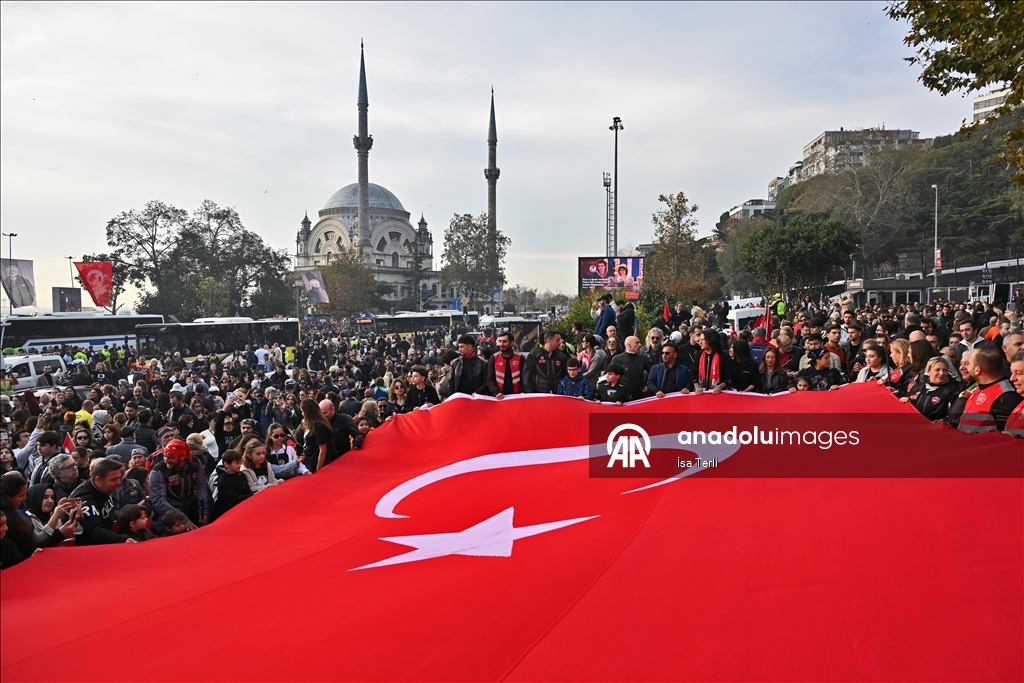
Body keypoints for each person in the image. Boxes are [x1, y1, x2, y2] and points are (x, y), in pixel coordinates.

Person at [68, 458, 136, 545]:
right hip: (90, 549)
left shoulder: (104, 488)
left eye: (119, 478)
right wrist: (123, 539)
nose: (119, 482)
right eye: (113, 480)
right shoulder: (83, 498)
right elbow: (95, 531)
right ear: (98, 480)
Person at [956, 346, 1023, 433]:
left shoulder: (1006, 395)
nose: (963, 367)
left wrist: (977, 436)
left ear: (977, 370)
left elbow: (1005, 435)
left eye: (968, 363)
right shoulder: (979, 387)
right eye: (1012, 372)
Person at [148, 438, 208, 530]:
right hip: (169, 514)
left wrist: (204, 510)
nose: (166, 460)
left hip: (192, 508)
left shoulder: (195, 463)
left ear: (182, 456)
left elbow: (201, 486)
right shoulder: (159, 471)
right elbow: (158, 500)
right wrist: (183, 519)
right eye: (165, 456)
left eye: (171, 457)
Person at [901, 356, 959, 422]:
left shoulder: (951, 391)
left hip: (934, 430)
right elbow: (908, 402)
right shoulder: (918, 387)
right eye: (937, 370)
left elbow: (954, 418)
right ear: (928, 371)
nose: (941, 373)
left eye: (945, 370)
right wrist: (906, 400)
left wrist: (943, 421)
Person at [212, 450, 253, 519]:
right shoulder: (223, 480)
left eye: (241, 462)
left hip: (241, 507)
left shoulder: (241, 475)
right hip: (226, 511)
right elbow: (234, 498)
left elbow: (246, 490)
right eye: (237, 463)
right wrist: (251, 495)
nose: (240, 465)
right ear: (226, 464)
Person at [300, 398, 336, 472]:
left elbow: (323, 450)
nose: (302, 414)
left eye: (303, 411)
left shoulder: (319, 426)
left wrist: (318, 469)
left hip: (314, 463)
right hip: (308, 461)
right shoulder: (309, 424)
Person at [487, 332, 526, 399]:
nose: (501, 344)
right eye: (500, 341)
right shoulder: (494, 358)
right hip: (499, 396)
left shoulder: (520, 358)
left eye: (504, 341)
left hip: (517, 397)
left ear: (511, 343)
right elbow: (489, 379)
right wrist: (496, 392)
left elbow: (525, 379)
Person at [693, 330, 731, 394]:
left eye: (703, 340)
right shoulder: (698, 355)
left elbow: (730, 376)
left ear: (711, 341)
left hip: (719, 394)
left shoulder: (724, 356)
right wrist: (697, 386)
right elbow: (692, 373)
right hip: (701, 393)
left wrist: (720, 387)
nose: (700, 342)